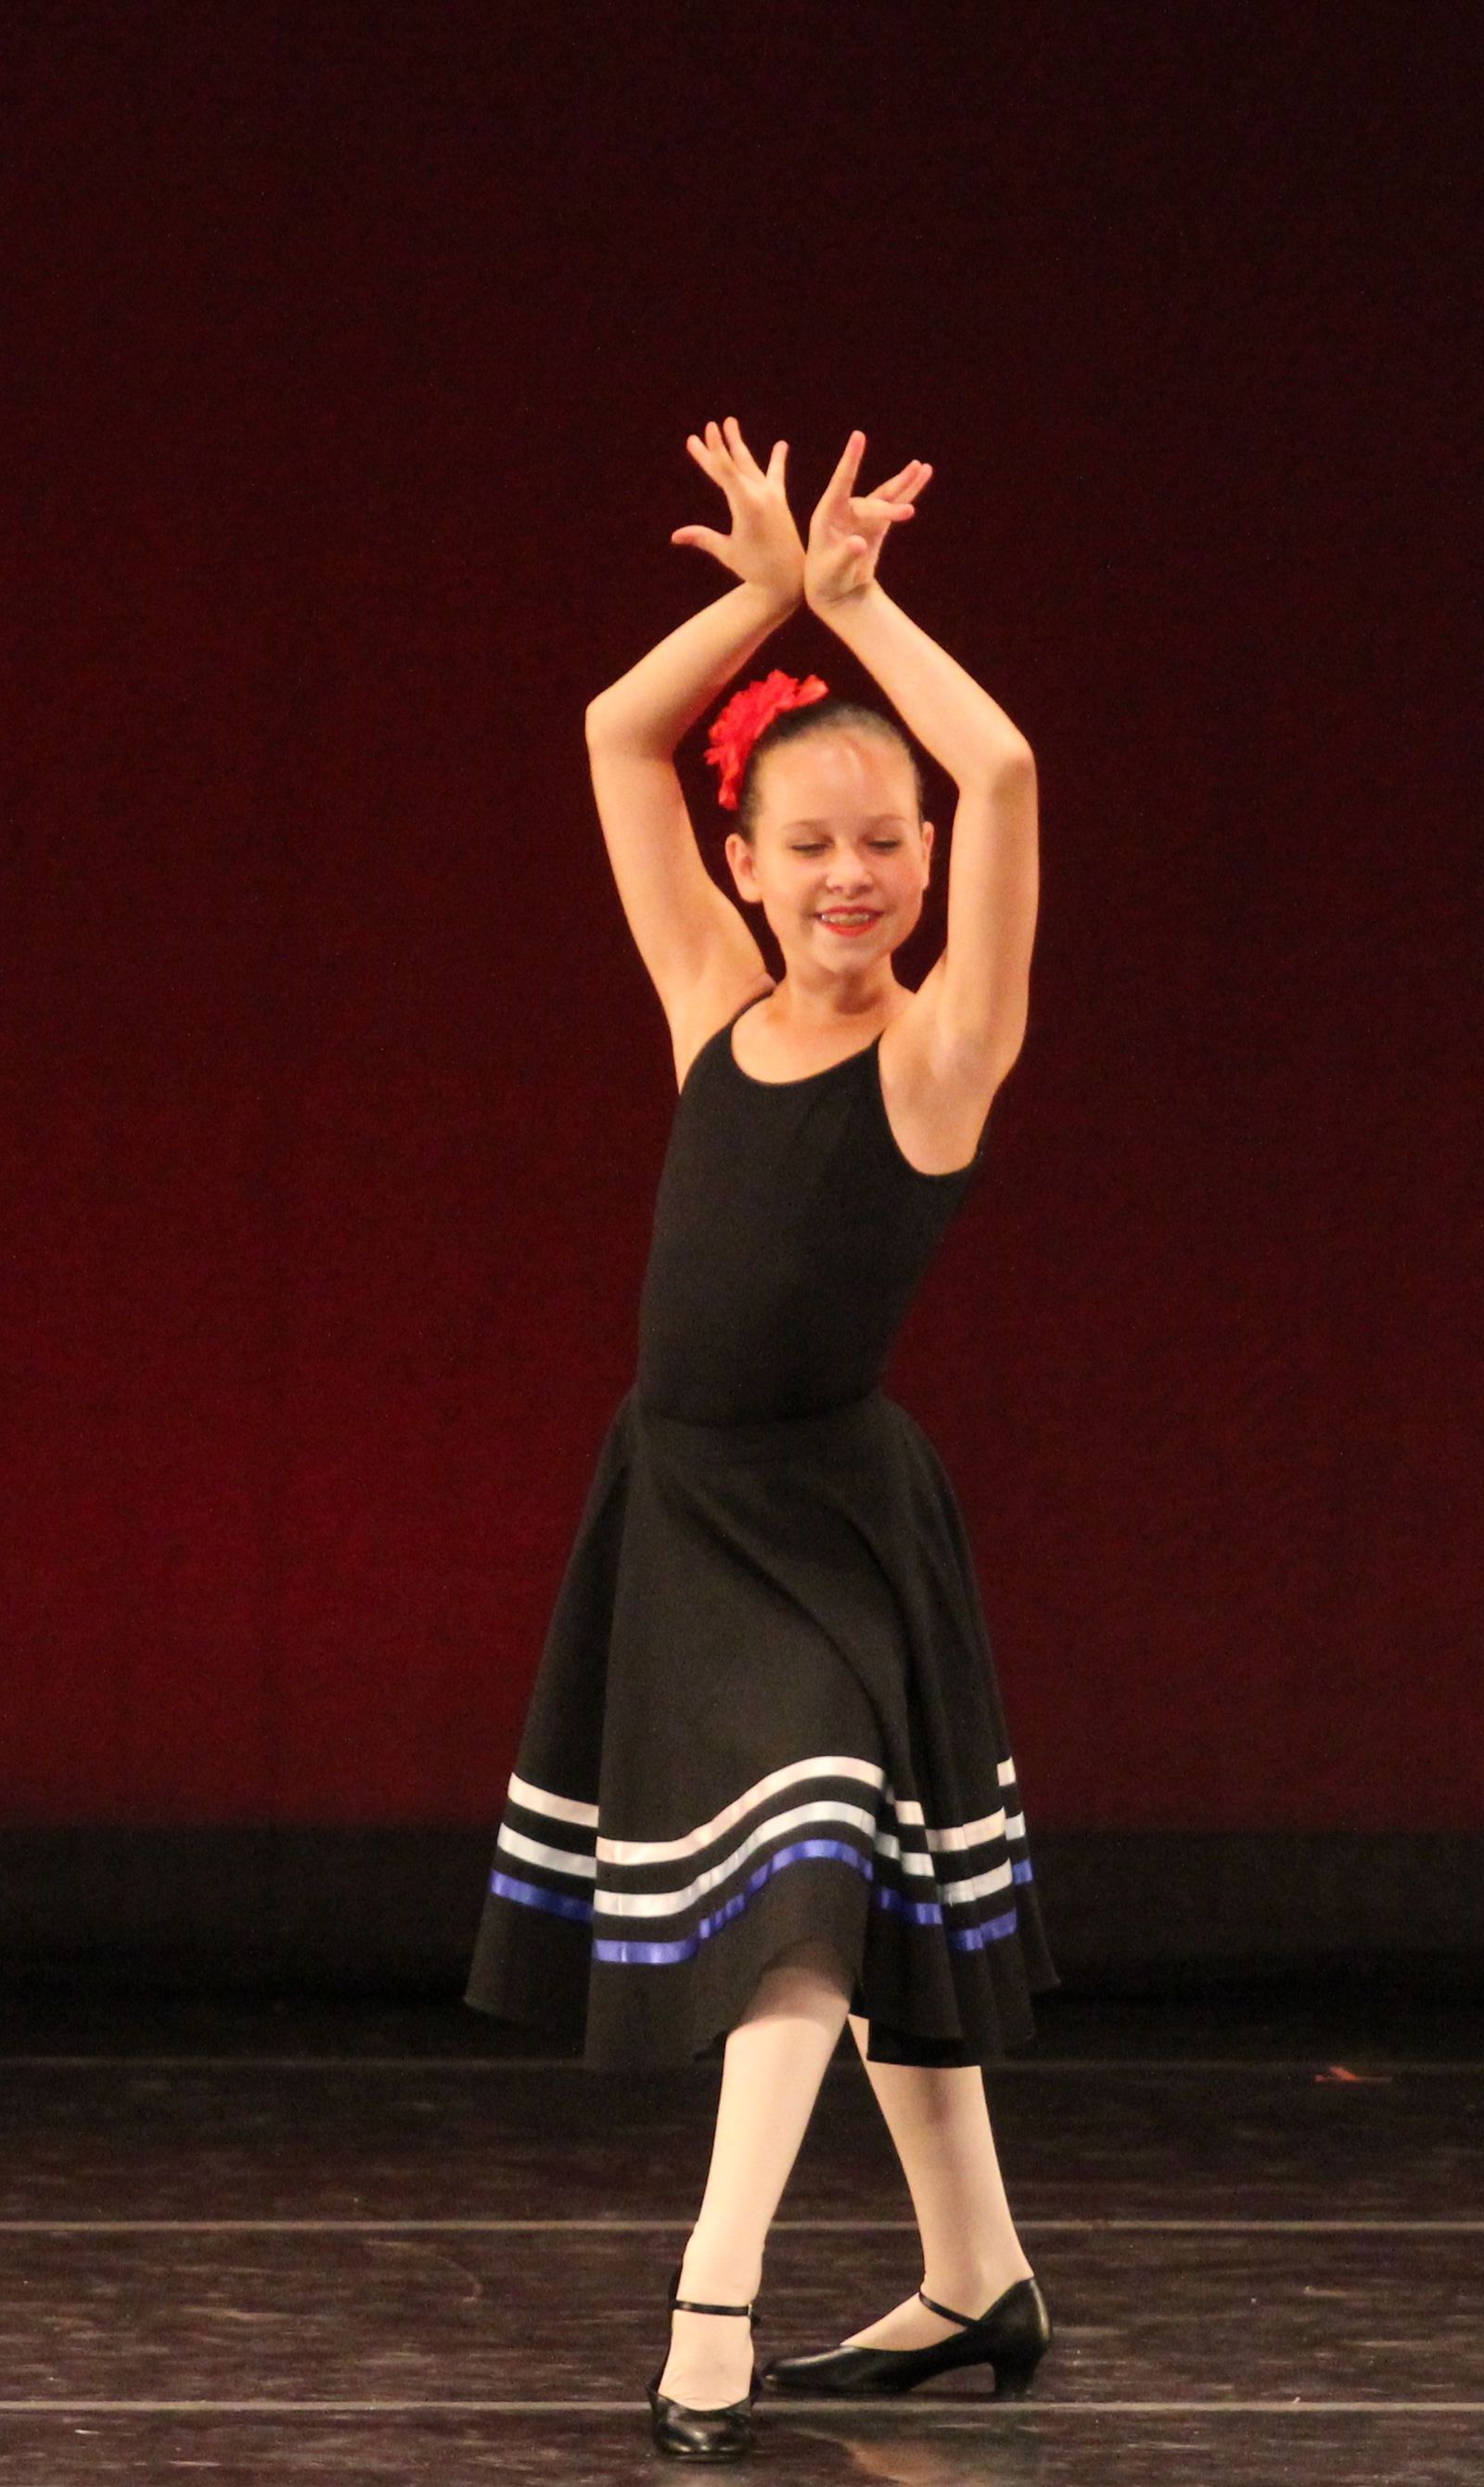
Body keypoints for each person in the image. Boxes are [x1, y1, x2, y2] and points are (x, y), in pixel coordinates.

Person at [466, 417, 1058, 2457]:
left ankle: (708, 2309)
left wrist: (866, 612)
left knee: (801, 1899)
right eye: (804, 843)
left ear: (921, 866)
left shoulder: (940, 1051)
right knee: (866, 1905)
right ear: (745, 867)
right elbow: (622, 740)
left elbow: (999, 771)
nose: (846, 873)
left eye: (877, 842)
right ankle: (975, 2279)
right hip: (680, 1503)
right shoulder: (707, 996)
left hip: (831, 1513)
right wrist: (757, 600)